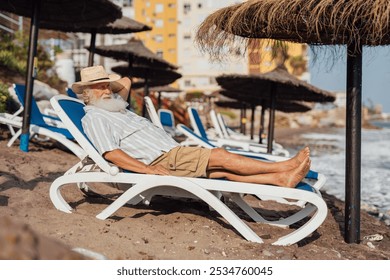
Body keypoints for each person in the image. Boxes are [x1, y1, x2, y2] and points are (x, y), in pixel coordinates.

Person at [72, 65, 311, 188]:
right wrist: (147, 170)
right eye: (99, 87)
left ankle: (280, 180)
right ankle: (283, 165)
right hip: (162, 160)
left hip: (171, 154)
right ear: (85, 93)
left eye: (107, 86)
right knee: (221, 156)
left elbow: (126, 82)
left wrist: (109, 86)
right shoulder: (95, 116)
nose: (106, 90)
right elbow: (110, 152)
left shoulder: (114, 107)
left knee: (224, 173)